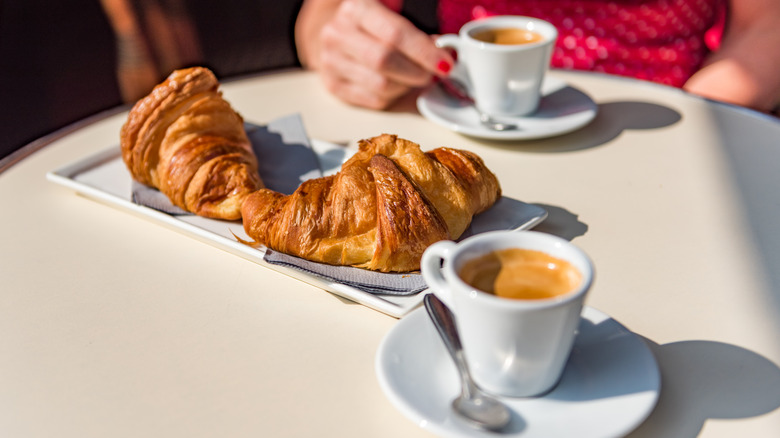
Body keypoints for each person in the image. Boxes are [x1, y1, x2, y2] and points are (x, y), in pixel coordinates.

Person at [294, 0, 780, 114]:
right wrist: (345, 45)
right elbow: (322, 22)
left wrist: (692, 119)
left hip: (662, 116)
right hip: (469, 119)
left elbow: (765, 25)